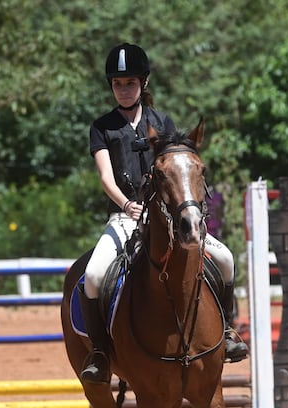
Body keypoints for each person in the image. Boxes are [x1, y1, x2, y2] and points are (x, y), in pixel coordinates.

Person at [79, 42, 248, 384]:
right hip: (125, 217)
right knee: (95, 277)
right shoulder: (103, 127)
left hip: (168, 218)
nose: (124, 90)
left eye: (129, 83)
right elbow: (105, 178)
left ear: (143, 83)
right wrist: (126, 204)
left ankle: (228, 331)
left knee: (226, 259)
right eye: (117, 84)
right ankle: (99, 351)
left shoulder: (161, 121)